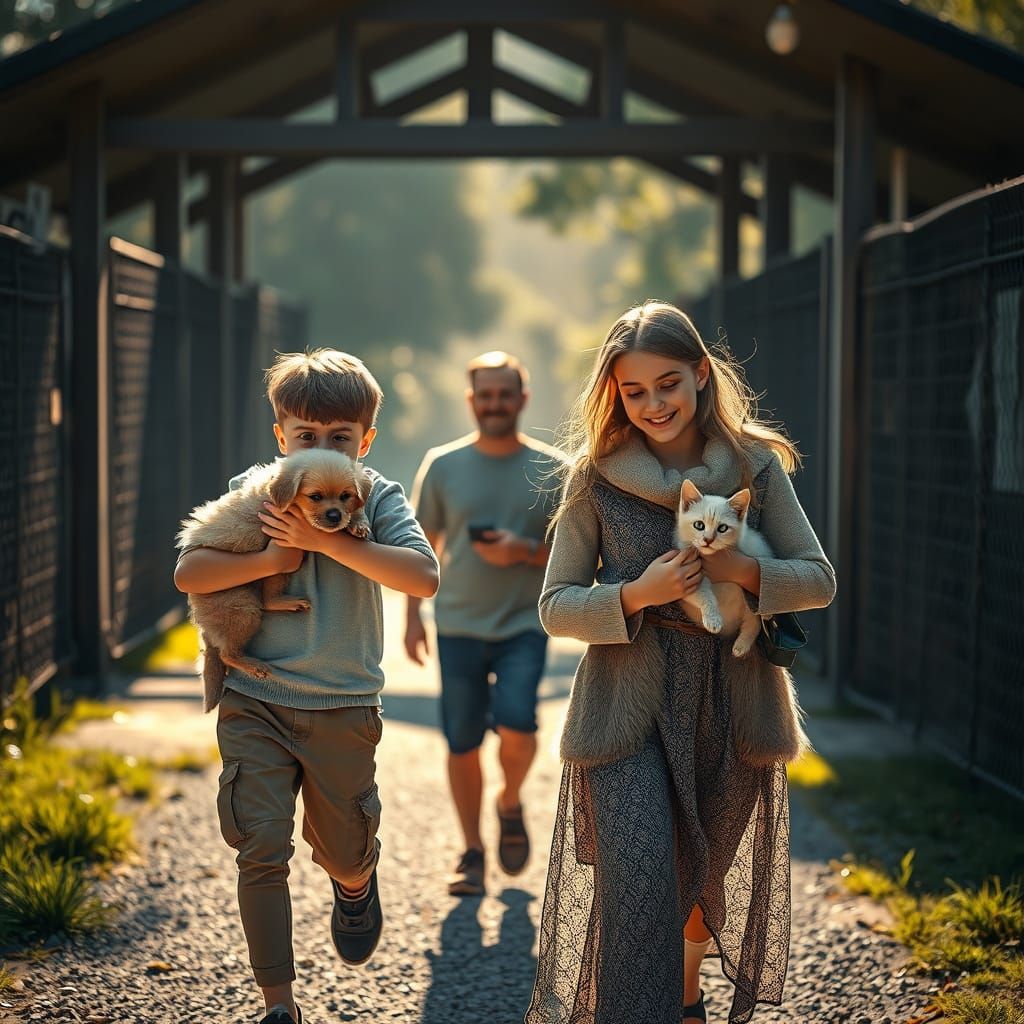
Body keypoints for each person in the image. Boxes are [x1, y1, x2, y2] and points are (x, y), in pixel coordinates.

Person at [524, 303, 836, 1024]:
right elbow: (555, 605)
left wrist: (742, 570)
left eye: (667, 384)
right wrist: (637, 593)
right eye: (634, 391)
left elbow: (818, 579)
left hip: (734, 701)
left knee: (700, 882)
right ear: (614, 393)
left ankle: (686, 994)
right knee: (638, 875)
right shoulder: (594, 476)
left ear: (700, 373)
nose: (653, 404)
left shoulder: (756, 464)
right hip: (624, 706)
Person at [174, 350, 439, 1024]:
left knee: (343, 847)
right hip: (256, 699)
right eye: (306, 435)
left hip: (341, 701)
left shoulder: (376, 495)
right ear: (281, 437)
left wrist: (330, 544)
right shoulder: (255, 491)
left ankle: (355, 882)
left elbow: (422, 576)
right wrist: (271, 556)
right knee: (259, 845)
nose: (322, 448)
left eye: (340, 437)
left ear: (365, 441)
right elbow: (190, 572)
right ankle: (278, 1004)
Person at [405, 351, 564, 896]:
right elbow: (419, 547)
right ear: (471, 400)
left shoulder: (555, 470)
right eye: (486, 395)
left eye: (505, 394)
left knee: (520, 724)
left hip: (525, 622)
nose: (495, 404)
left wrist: (524, 551)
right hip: (457, 623)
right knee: (462, 741)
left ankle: (510, 800)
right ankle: (471, 851)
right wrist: (412, 617)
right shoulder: (443, 465)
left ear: (523, 399)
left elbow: (579, 554)